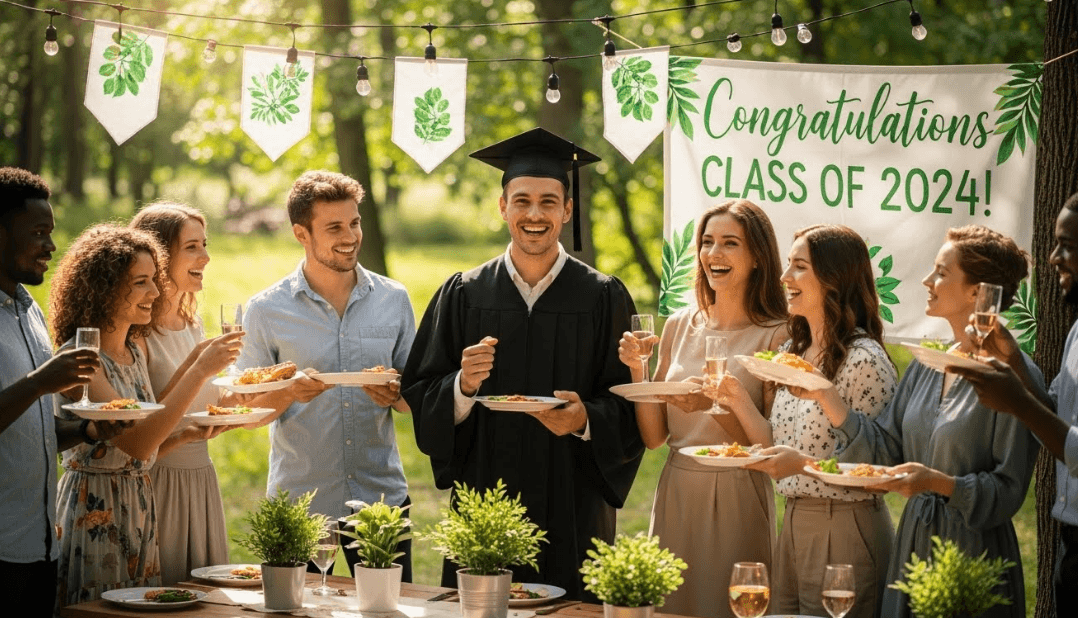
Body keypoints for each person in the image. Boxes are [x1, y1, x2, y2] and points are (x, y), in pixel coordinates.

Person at [402, 128, 645, 601]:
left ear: (567, 210)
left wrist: (585, 420)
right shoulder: (464, 294)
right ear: (503, 206)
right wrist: (461, 386)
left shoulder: (601, 296)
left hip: (573, 499)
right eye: (522, 201)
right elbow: (420, 390)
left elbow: (630, 401)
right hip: (485, 495)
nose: (535, 214)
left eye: (548, 202)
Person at [815, 225, 1040, 618]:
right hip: (914, 547)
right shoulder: (926, 366)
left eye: (941, 272)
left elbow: (1008, 490)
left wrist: (936, 482)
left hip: (972, 555)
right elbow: (886, 449)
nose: (927, 280)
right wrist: (825, 395)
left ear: (978, 293)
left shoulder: (1013, 377)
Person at [236, 170, 416, 579]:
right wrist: (287, 392)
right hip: (300, 501)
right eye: (334, 227)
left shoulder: (394, 299)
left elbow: (416, 396)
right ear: (302, 233)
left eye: (354, 223)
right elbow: (247, 409)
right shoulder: (265, 310)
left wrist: (395, 392)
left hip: (381, 500)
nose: (350, 236)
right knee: (295, 609)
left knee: (384, 610)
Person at [49, 224, 240, 609]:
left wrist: (185, 436)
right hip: (96, 511)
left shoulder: (133, 351)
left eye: (154, 279)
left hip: (138, 507)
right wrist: (199, 369)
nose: (155, 291)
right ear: (103, 289)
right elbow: (135, 443)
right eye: (141, 282)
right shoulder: (81, 360)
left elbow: (145, 436)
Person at [615, 200, 786, 618]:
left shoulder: (777, 335)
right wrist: (639, 369)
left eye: (730, 243)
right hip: (676, 491)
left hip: (737, 496)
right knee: (669, 608)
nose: (714, 254)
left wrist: (717, 402)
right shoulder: (677, 324)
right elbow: (655, 438)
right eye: (707, 242)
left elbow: (770, 444)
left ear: (758, 257)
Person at [722, 224, 897, 618]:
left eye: (799, 266)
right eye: (788, 265)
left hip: (846, 528)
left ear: (834, 279)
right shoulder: (793, 350)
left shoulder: (865, 360)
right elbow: (778, 444)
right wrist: (735, 399)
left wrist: (825, 394)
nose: (785, 278)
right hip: (794, 522)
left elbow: (877, 468)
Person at [0, 168, 127, 618]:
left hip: (42, 547)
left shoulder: (29, 309)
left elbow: (34, 430)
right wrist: (39, 383)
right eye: (38, 233)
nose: (51, 247)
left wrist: (91, 429)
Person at [950, 192, 1078, 616]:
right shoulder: (1077, 332)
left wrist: (1018, 404)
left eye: (1068, 246)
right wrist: (1012, 358)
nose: (1055, 258)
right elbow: (1055, 412)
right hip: (1070, 540)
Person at [131, 202, 248, 585]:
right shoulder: (138, 331)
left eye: (205, 244)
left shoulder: (191, 322)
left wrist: (269, 393)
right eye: (192, 247)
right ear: (160, 255)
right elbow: (145, 418)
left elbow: (203, 403)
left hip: (201, 477)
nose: (206, 256)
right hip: (161, 480)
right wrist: (201, 367)